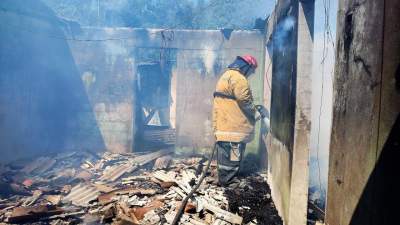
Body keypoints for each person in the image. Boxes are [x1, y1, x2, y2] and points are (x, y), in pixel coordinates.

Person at [212, 55, 260, 186]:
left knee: (225, 158)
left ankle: (224, 179)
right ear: (246, 66)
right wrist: (255, 113)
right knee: (233, 158)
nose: (251, 74)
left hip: (224, 126)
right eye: (251, 70)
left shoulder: (226, 75)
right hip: (235, 129)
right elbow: (244, 99)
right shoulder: (239, 79)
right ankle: (230, 183)